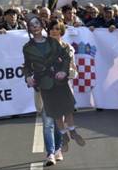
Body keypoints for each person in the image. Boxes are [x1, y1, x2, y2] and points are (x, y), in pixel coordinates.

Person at [22, 16, 85, 156]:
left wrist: (64, 71)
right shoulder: (28, 47)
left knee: (61, 115)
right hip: (44, 86)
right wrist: (28, 77)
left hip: (62, 84)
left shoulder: (64, 47)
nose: (54, 31)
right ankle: (55, 149)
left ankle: (58, 147)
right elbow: (27, 65)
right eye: (52, 29)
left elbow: (71, 65)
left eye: (57, 29)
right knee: (50, 120)